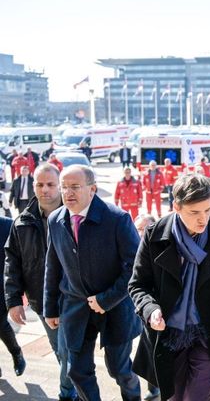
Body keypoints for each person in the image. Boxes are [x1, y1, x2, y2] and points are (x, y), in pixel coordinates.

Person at [128, 173, 210, 401]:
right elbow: (137, 285)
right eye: (194, 212)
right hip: (168, 334)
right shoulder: (154, 236)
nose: (203, 219)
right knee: (173, 397)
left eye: (208, 210)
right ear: (176, 207)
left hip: (209, 333)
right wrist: (151, 310)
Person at [44, 165, 142, 401]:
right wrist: (50, 309)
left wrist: (105, 299)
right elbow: (53, 267)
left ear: (92, 189)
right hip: (75, 306)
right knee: (76, 371)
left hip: (115, 306)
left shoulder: (117, 219)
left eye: (75, 187)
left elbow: (136, 267)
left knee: (119, 369)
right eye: (64, 187)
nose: (68, 193)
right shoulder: (56, 220)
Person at [4, 164, 75, 400]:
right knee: (60, 351)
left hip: (75, 298)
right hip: (42, 301)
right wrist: (14, 301)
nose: (45, 190)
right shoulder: (21, 223)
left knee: (70, 350)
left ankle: (68, 393)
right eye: (39, 184)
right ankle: (73, 389)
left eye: (50, 185)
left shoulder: (75, 218)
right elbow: (12, 263)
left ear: (60, 186)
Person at [132, 214, 161, 401]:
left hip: (153, 310)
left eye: (145, 228)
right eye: (139, 229)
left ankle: (155, 386)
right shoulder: (131, 245)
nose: (142, 233)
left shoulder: (159, 246)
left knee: (153, 349)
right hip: (133, 305)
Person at [0, 215, 26, 379]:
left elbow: (21, 259)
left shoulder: (8, 225)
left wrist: (21, 290)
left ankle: (16, 353)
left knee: (0, 323)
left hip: (3, 285)